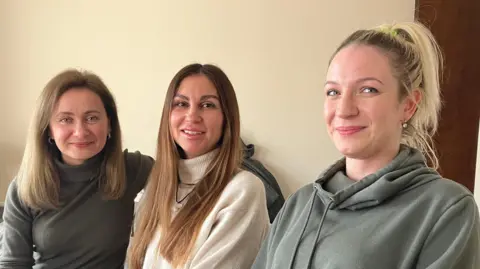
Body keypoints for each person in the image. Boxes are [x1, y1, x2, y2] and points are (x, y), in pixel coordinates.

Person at [252, 22, 480, 269]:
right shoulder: (299, 203)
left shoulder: (446, 209)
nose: (344, 109)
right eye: (333, 92)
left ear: (409, 105)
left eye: (368, 90)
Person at [0, 69, 154, 269]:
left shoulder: (134, 169)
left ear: (109, 125)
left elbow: (189, 177)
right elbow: (13, 264)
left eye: (91, 118)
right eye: (65, 119)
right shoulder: (24, 188)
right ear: (49, 129)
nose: (80, 132)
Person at [126, 63, 269, 269]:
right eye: (181, 104)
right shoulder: (155, 187)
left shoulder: (243, 190)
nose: (192, 116)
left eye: (208, 105)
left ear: (226, 119)